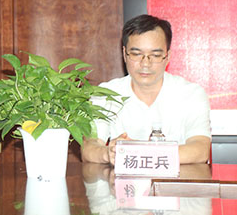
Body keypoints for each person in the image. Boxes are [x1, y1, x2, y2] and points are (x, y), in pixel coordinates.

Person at [81, 14, 211, 165]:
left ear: (167, 56)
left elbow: (200, 150)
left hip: (178, 180)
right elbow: (89, 147)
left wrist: (137, 153)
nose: (145, 64)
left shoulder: (191, 94)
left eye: (155, 55)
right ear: (124, 54)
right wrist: (108, 153)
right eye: (137, 54)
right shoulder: (105, 94)